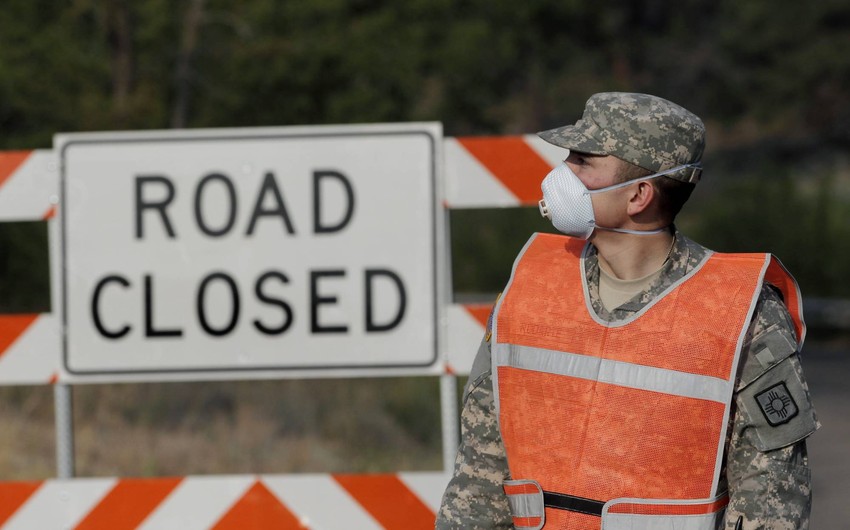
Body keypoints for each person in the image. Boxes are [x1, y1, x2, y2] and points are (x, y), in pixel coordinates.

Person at [436, 92, 819, 530]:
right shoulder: (531, 285)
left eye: (582, 161)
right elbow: (479, 477)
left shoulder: (742, 311)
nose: (562, 174)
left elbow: (771, 501)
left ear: (639, 195)